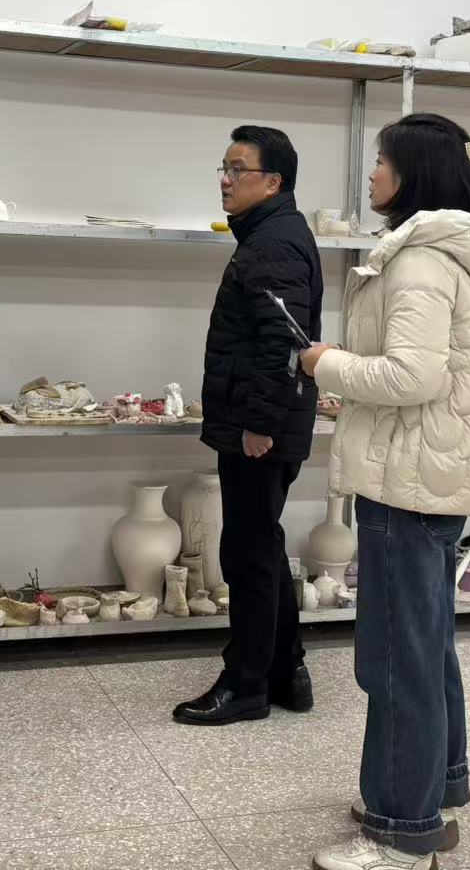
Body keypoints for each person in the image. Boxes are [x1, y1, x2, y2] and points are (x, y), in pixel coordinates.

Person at [298, 113, 470, 870]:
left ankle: (400, 827)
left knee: (395, 657)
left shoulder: (418, 260)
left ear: (412, 172)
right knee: (426, 644)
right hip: (427, 471)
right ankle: (433, 789)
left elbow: (411, 376)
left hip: (410, 481)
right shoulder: (446, 252)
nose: (372, 172)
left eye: (381, 160)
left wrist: (323, 362)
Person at [173, 125, 323, 726]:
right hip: (262, 419)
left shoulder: (273, 243)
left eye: (239, 170)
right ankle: (287, 672)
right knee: (262, 545)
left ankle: (246, 685)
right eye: (224, 168)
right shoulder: (271, 233)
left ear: (273, 181)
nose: (226, 180)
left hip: (260, 426)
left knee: (247, 554)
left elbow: (282, 343)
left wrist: (258, 423)